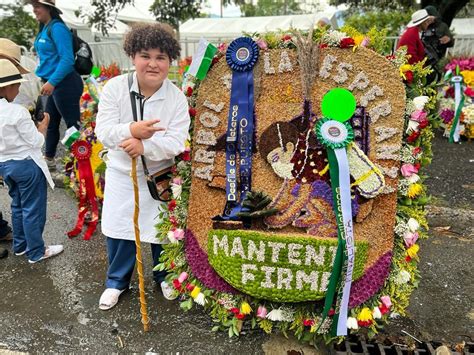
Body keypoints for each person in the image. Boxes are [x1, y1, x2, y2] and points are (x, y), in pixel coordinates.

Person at [95, 23, 190, 310]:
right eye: (145, 55)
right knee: (120, 228)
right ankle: (116, 282)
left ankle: (164, 277)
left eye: (161, 57)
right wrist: (131, 129)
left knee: (160, 232)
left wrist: (145, 147)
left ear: (170, 61)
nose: (153, 63)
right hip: (122, 174)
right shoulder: (115, 88)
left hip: (158, 176)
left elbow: (177, 141)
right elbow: (104, 131)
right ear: (133, 57)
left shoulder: (176, 97)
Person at [0, 59, 63, 263]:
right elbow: (36, 141)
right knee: (33, 210)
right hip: (26, 165)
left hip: (5, 166)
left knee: (17, 205)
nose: (19, 89)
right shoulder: (17, 112)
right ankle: (36, 251)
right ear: (7, 87)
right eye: (17, 85)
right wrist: (43, 126)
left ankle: (21, 245)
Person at [30, 0, 83, 171]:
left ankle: (79, 164)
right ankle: (49, 159)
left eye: (37, 6)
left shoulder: (58, 28)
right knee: (50, 122)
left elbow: (67, 59)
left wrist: (52, 82)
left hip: (64, 83)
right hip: (52, 83)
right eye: (33, 6)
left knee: (72, 125)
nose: (34, 10)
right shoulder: (45, 28)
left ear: (48, 8)